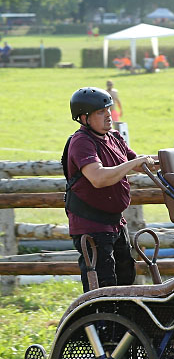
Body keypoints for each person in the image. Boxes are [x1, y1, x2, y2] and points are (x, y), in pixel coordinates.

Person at [63, 87, 157, 291]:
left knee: (125, 278)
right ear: (84, 118)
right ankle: (101, 323)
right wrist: (135, 163)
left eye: (108, 109)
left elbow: (140, 164)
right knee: (104, 286)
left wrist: (170, 161)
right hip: (91, 226)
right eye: (100, 112)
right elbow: (98, 178)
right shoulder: (82, 142)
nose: (108, 115)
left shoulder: (113, 137)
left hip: (114, 222)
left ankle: (120, 323)